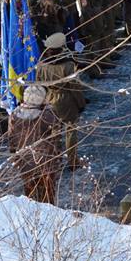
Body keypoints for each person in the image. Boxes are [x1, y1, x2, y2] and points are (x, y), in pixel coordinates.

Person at [36, 32, 86, 170]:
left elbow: (39, 84)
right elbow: (75, 87)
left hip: (49, 99)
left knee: (54, 131)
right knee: (70, 130)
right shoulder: (68, 65)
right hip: (66, 100)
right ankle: (73, 161)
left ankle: (55, 160)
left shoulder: (41, 65)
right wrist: (81, 104)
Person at [8, 85, 62, 204]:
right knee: (48, 198)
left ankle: (32, 219)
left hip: (24, 161)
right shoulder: (48, 114)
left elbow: (11, 139)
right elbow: (56, 138)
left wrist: (15, 157)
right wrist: (58, 157)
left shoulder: (14, 115)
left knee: (30, 196)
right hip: (46, 162)